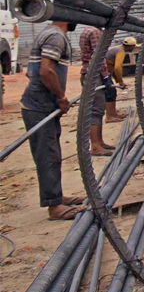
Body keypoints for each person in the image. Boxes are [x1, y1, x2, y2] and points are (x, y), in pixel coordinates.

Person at [20, 19, 85, 220]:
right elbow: (46, 70)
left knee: (52, 154)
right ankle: (54, 207)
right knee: (48, 155)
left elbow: (32, 71)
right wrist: (61, 97)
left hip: (42, 105)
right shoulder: (56, 36)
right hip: (39, 107)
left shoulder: (48, 32)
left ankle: (56, 196)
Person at [77, 25, 115, 156]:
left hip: (90, 73)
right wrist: (105, 76)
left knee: (98, 108)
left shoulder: (87, 30)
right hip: (94, 74)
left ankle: (99, 142)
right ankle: (95, 146)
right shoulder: (95, 32)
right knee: (96, 110)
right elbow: (98, 56)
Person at [103, 37, 137, 121]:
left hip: (104, 72)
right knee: (110, 92)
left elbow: (112, 66)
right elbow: (117, 68)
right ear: (131, 46)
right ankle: (109, 116)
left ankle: (113, 114)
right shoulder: (120, 52)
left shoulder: (117, 49)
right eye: (134, 46)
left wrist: (117, 81)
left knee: (112, 91)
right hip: (103, 73)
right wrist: (121, 82)